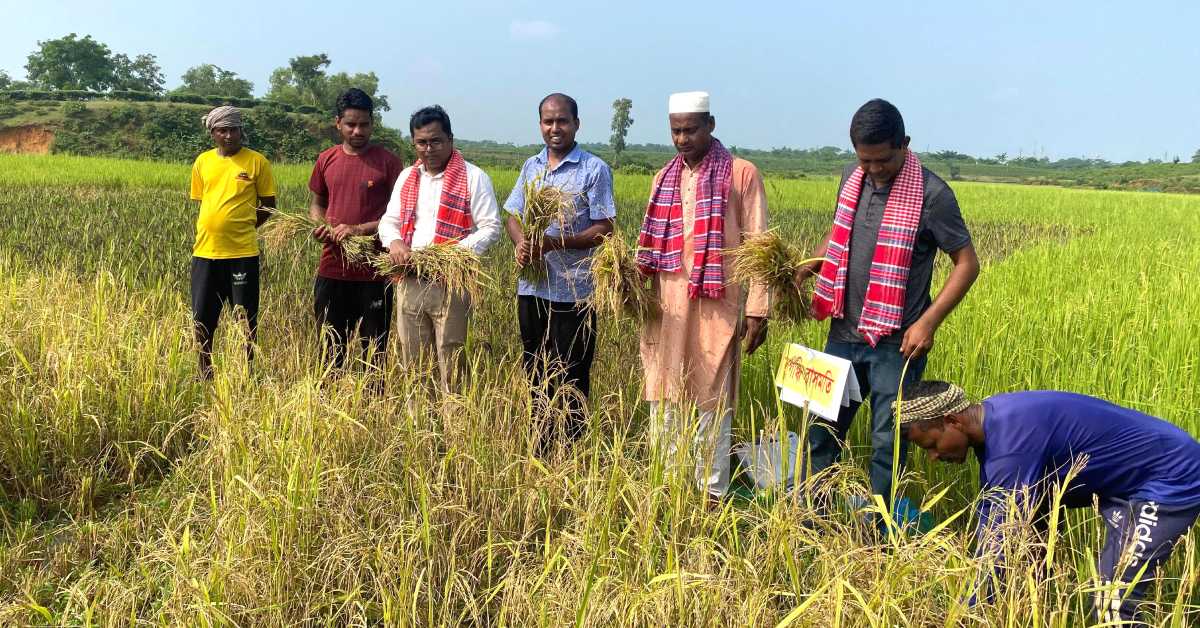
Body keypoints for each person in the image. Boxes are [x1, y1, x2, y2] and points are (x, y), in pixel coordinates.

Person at [795, 98, 980, 503]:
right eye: (865, 161)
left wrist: (928, 322)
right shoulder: (851, 178)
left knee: (888, 443)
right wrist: (809, 267)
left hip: (897, 346)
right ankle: (812, 518)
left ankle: (879, 536)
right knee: (821, 429)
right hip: (843, 333)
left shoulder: (933, 195)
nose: (874, 171)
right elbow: (838, 235)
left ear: (904, 144)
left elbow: (967, 264)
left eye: (883, 161)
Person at [898, 381, 1200, 623]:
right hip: (1127, 482)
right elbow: (1002, 512)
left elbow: (1001, 537)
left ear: (953, 421)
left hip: (1169, 478)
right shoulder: (994, 421)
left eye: (932, 445)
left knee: (1111, 602)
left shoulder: (1011, 445)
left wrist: (966, 612)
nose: (934, 457)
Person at [638, 91, 770, 500]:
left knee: (711, 398)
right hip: (666, 306)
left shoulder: (741, 174)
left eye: (690, 129)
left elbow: (759, 246)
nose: (682, 139)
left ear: (710, 125)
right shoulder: (664, 177)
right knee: (665, 395)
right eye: (675, 130)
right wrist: (630, 289)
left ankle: (711, 493)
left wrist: (758, 309)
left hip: (717, 302)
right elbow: (647, 246)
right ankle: (669, 488)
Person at [503, 93, 616, 455]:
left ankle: (571, 451)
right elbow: (513, 216)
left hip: (575, 290)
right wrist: (522, 242)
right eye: (548, 121)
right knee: (535, 368)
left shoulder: (593, 170)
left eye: (562, 121)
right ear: (540, 124)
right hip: (533, 288)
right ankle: (541, 445)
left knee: (573, 372)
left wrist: (555, 243)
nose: (555, 128)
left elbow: (605, 227)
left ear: (576, 124)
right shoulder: (531, 167)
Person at [378, 105, 501, 392]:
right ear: (413, 143)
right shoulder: (407, 177)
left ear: (450, 140)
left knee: (452, 360)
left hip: (452, 281)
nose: (429, 148)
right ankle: (419, 430)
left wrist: (449, 254)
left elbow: (490, 228)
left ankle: (456, 429)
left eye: (436, 141)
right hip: (409, 279)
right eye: (422, 142)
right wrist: (395, 243)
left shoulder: (474, 177)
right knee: (414, 363)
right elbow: (390, 220)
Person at [308, 88, 404, 370]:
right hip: (332, 268)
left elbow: (399, 215)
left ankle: (373, 407)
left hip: (374, 271)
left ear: (372, 123)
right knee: (329, 349)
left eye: (364, 124)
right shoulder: (326, 159)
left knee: (375, 351)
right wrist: (320, 225)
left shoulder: (389, 163)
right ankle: (328, 406)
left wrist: (359, 229)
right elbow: (317, 203)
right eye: (351, 124)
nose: (358, 130)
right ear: (338, 123)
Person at [188, 105, 276, 379]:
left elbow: (269, 205)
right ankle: (205, 372)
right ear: (212, 132)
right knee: (202, 317)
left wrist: (246, 226)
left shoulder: (256, 162)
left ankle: (248, 372)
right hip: (205, 252)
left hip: (242, 253)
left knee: (244, 318)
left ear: (241, 131)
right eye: (222, 130)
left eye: (233, 129)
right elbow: (205, 201)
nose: (229, 135)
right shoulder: (203, 162)